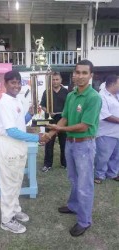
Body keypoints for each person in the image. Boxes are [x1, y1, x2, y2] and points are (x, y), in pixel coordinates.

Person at [47, 60, 102, 237]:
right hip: (71, 144)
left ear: (91, 76)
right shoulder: (71, 95)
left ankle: (84, 221)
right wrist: (51, 134)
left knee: (85, 185)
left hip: (84, 145)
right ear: (73, 74)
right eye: (77, 72)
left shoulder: (93, 97)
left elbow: (84, 126)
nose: (79, 76)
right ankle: (73, 206)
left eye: (84, 73)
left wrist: (59, 129)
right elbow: (64, 117)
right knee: (73, 178)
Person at [0, 70, 51, 234]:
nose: (16, 85)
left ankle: (14, 209)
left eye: (18, 82)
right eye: (12, 82)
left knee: (17, 180)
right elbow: (12, 131)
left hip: (18, 145)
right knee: (8, 184)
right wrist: (37, 138)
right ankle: (6, 219)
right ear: (5, 84)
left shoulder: (17, 100)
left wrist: (30, 114)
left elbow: (20, 122)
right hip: (9, 144)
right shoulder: (4, 103)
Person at [40, 72, 68, 172]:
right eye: (53, 79)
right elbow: (42, 105)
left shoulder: (66, 92)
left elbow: (69, 106)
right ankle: (47, 164)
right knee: (49, 142)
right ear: (50, 80)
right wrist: (47, 111)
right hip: (50, 120)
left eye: (57, 79)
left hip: (63, 120)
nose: (55, 81)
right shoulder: (46, 92)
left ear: (61, 80)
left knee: (64, 143)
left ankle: (65, 163)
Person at [94, 75, 119, 184]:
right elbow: (105, 115)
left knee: (116, 156)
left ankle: (113, 173)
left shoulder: (116, 96)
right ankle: (99, 175)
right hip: (106, 133)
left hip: (117, 132)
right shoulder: (102, 96)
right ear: (113, 84)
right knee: (103, 156)